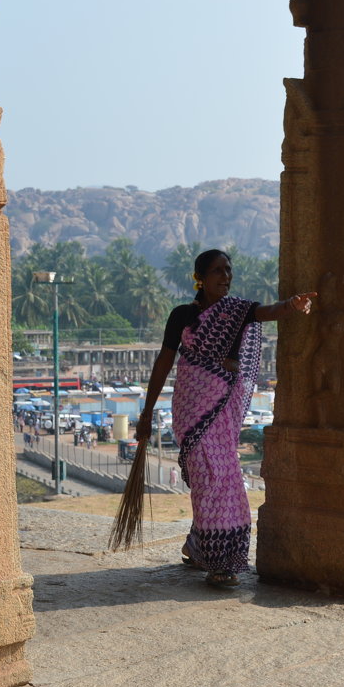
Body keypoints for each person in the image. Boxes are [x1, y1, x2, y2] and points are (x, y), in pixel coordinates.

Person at [136, 249, 315, 588]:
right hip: (192, 410)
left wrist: (291, 305)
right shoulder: (182, 316)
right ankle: (213, 557)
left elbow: (267, 312)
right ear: (199, 277)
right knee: (207, 476)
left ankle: (204, 548)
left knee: (223, 479)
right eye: (217, 270)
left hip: (223, 414)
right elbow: (164, 363)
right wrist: (146, 411)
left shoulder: (237, 311)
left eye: (229, 270)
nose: (225, 276)